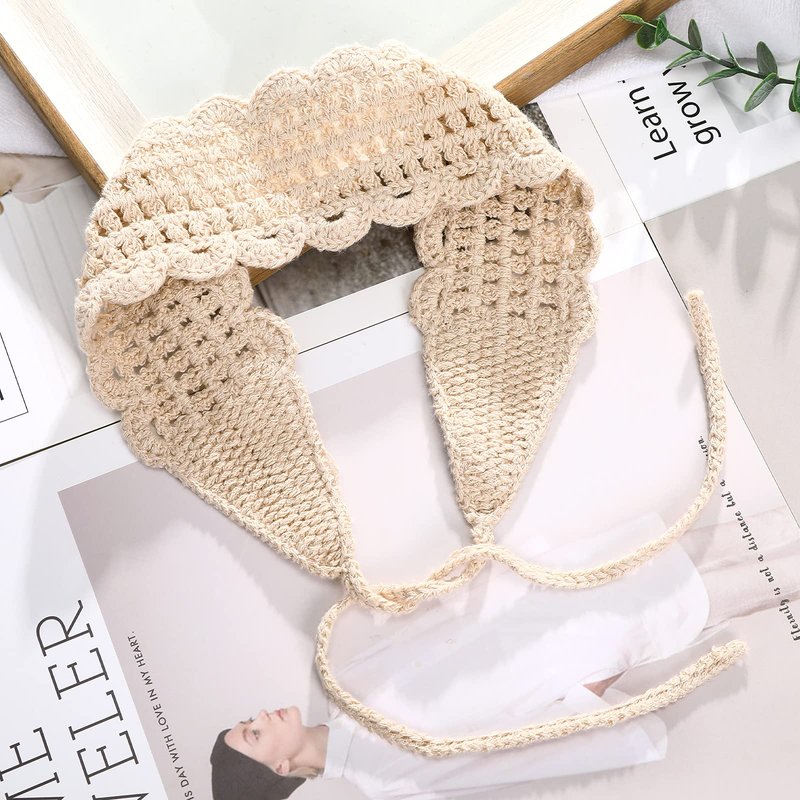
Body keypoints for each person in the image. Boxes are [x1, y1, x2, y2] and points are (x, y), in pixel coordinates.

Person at [209, 506, 800, 799]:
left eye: (246, 722)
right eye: (253, 735)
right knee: (764, 580)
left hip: (563, 590)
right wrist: (587, 691)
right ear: (281, 769)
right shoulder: (384, 777)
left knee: (763, 526)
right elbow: (509, 755)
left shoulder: (342, 678)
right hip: (590, 645)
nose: (260, 717)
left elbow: (447, 619)